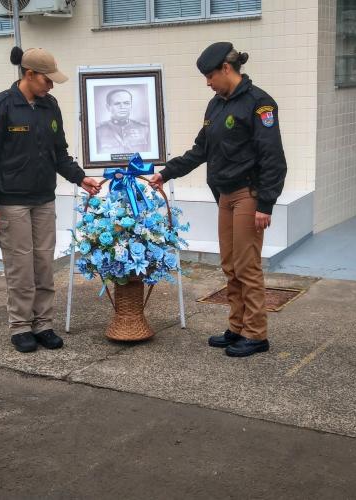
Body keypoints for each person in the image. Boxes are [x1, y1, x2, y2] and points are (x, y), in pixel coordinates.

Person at [149, 42, 287, 358]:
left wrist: (266, 203)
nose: (207, 82)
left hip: (248, 195)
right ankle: (237, 327)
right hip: (225, 195)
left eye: (210, 75)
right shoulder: (216, 105)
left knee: (247, 265)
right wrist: (166, 173)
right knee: (230, 265)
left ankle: (256, 334)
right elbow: (201, 150)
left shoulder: (259, 103)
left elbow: (273, 157)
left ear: (226, 69)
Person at [0, 47, 101, 353]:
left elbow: (59, 152)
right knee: (20, 266)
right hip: (12, 201)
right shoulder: (0, 106)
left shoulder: (49, 106)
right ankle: (20, 326)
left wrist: (79, 177)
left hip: (44, 198)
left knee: (43, 263)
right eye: (47, 80)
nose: (51, 86)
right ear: (29, 74)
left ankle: (43, 324)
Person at [95, 88, 151, 155]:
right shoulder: (98, 131)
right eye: (117, 103)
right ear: (108, 107)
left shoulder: (144, 129)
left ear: (131, 106)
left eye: (126, 103)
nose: (122, 107)